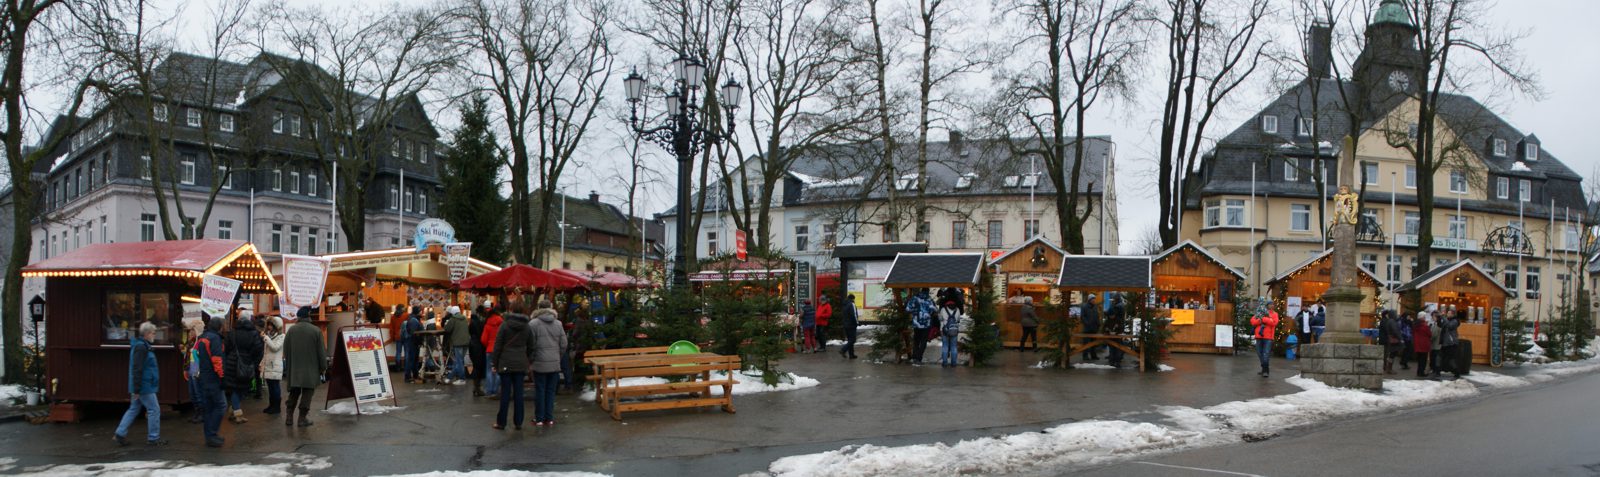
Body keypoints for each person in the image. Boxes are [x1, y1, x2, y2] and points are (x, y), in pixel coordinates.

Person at [114, 322, 167, 446]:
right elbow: (137, 368)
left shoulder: (141, 346)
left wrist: (135, 388)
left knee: (134, 408)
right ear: (147, 333)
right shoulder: (142, 347)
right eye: (153, 333)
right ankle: (153, 438)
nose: (154, 335)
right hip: (144, 386)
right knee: (154, 409)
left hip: (140, 385)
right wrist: (137, 388)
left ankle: (120, 433)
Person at [282, 307, 328, 427]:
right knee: (307, 394)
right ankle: (302, 419)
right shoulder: (316, 331)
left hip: (295, 368)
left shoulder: (291, 330)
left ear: (298, 317)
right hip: (311, 369)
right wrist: (323, 367)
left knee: (294, 392)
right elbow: (321, 352)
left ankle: (289, 417)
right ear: (309, 316)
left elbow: (286, 350)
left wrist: (290, 364)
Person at [492, 301, 534, 430]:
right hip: (520, 363)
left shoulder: (504, 325)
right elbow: (531, 346)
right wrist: (527, 360)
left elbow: (497, 345)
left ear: (511, 310)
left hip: (505, 362)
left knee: (505, 394)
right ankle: (518, 422)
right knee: (519, 394)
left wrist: (495, 362)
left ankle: (501, 422)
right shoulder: (527, 327)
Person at [530, 298, 568, 427]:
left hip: (539, 363)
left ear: (539, 308)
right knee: (551, 391)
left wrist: (532, 359)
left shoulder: (533, 324)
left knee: (540, 390)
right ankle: (549, 418)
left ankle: (539, 418)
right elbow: (564, 344)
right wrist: (558, 356)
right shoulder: (558, 324)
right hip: (554, 363)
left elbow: (531, 345)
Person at [223, 311, 263, 424]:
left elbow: (226, 348)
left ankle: (234, 410)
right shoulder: (254, 333)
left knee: (235, 388)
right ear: (249, 319)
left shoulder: (232, 332)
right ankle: (238, 414)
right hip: (248, 364)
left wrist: (229, 360)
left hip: (232, 363)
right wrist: (254, 362)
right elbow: (258, 349)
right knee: (243, 388)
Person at [194, 315, 228, 447]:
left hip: (203, 378)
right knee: (221, 406)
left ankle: (209, 435)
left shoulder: (202, 338)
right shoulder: (215, 339)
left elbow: (194, 355)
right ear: (219, 327)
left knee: (208, 408)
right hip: (213, 379)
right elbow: (217, 360)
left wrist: (193, 373)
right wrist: (222, 377)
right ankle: (212, 434)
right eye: (223, 326)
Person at [184, 317, 208, 424]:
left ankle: (202, 414)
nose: (190, 333)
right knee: (192, 393)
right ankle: (197, 413)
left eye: (192, 330)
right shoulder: (191, 342)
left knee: (198, 394)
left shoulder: (200, 342)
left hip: (197, 371)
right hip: (191, 370)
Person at [260, 316, 286, 415]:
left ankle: (277, 407)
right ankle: (271, 405)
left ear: (276, 326)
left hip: (275, 365)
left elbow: (275, 348)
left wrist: (265, 338)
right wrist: (261, 362)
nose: (269, 327)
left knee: (275, 386)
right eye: (269, 325)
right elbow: (266, 352)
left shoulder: (281, 336)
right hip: (268, 365)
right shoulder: (269, 336)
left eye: (272, 325)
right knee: (270, 386)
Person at [906, 290, 936, 364]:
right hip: (926, 324)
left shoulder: (914, 298)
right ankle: (919, 359)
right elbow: (934, 310)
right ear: (927, 291)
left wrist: (915, 312)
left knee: (916, 341)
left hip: (916, 323)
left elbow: (907, 309)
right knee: (923, 341)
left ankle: (914, 357)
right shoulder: (929, 300)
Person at [481, 304, 504, 399]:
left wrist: (489, 345)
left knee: (489, 371)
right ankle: (496, 391)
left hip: (490, 349)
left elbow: (483, 339)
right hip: (500, 350)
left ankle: (489, 391)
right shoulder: (502, 323)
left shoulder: (487, 324)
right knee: (498, 370)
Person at [444, 305, 471, 385]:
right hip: (466, 342)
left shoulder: (453, 319)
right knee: (459, 361)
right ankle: (449, 378)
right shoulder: (465, 318)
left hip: (458, 343)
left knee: (459, 361)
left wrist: (446, 323)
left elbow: (447, 329)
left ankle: (462, 379)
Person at [1250, 309, 1279, 377]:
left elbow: (1274, 323)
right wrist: (1262, 320)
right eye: (1269, 304)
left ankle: (1266, 370)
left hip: (1268, 337)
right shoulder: (1259, 312)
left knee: (1266, 353)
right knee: (1259, 352)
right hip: (1258, 336)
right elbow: (1253, 321)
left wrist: (1262, 319)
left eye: (1272, 304)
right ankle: (1264, 368)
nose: (1271, 306)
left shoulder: (1274, 314)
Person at [469, 307, 488, 397]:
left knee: (476, 366)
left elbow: (470, 331)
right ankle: (477, 388)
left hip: (473, 344)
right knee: (478, 367)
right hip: (479, 346)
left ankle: (476, 387)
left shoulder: (473, 322)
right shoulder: (481, 322)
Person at [1437, 308, 1461, 380]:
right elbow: (1440, 325)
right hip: (1445, 343)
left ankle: (1457, 372)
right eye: (1447, 313)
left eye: (1449, 313)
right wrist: (1439, 317)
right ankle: (1437, 371)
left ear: (1453, 314)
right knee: (1439, 357)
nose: (1447, 314)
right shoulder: (1446, 320)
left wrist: (1443, 317)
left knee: (1450, 360)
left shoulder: (1455, 321)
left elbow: (1449, 326)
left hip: (1451, 344)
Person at [1105, 296, 1127, 368]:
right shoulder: (1120, 306)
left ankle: (1115, 361)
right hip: (1114, 334)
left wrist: (1116, 330)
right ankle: (1115, 360)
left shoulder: (1117, 307)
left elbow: (1119, 326)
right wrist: (1107, 330)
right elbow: (1104, 327)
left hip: (1116, 334)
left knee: (1115, 348)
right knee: (1115, 347)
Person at [937, 300, 961, 367]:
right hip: (954, 330)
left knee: (945, 346)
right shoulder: (957, 309)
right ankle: (953, 363)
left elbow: (940, 319)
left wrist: (941, 329)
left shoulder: (943, 309)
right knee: (954, 346)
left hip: (945, 330)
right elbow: (958, 320)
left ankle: (945, 363)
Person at [404, 307, 424, 383]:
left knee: (414, 359)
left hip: (413, 342)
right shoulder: (414, 320)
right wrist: (418, 341)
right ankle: (408, 376)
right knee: (412, 360)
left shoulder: (414, 319)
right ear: (417, 312)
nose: (421, 313)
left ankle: (414, 375)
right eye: (420, 311)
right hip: (413, 342)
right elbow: (414, 333)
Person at [1378, 309, 1402, 374]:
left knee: (1391, 354)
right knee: (1391, 354)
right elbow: (1394, 330)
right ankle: (1388, 368)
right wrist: (1399, 338)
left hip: (1388, 339)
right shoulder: (1390, 321)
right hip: (1390, 340)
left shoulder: (1388, 321)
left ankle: (1388, 367)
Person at [1080, 294, 1101, 361]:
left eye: (1094, 299)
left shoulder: (1095, 307)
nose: (1094, 300)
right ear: (1089, 300)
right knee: (1086, 343)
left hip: (1094, 328)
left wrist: (1098, 324)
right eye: (1093, 299)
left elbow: (1097, 316)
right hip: (1087, 329)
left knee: (1093, 343)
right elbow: (1082, 317)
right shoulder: (1084, 307)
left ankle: (1093, 355)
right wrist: (1087, 324)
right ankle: (1085, 356)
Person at [1413, 311, 1434, 378]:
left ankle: (1419, 371)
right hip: (1424, 344)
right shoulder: (1424, 326)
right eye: (1424, 317)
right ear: (1422, 317)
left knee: (1419, 360)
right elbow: (1430, 334)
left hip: (1417, 344)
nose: (1425, 318)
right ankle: (1421, 372)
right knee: (1423, 360)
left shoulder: (1415, 325)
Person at [838, 294, 860, 359]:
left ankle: (851, 355)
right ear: (853, 299)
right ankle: (843, 350)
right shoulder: (851, 304)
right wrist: (857, 322)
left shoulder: (845, 305)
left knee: (850, 340)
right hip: (851, 325)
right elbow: (854, 315)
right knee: (853, 340)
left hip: (846, 324)